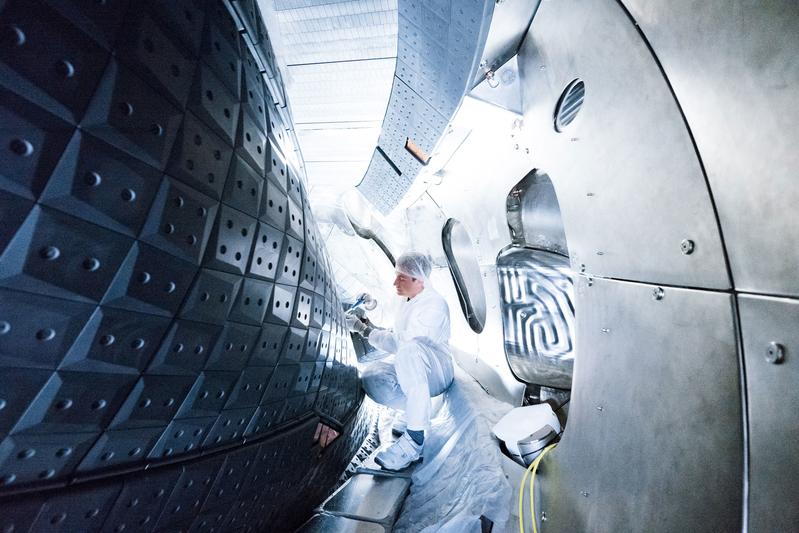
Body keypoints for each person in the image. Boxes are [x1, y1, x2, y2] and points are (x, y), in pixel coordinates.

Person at [345, 252, 454, 471]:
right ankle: (416, 411)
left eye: (401, 277)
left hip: (437, 370)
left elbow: (399, 343)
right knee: (373, 377)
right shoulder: (407, 298)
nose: (395, 282)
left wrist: (363, 330)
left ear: (419, 279)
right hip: (413, 365)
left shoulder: (434, 305)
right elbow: (390, 315)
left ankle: (414, 441)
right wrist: (371, 304)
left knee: (410, 349)